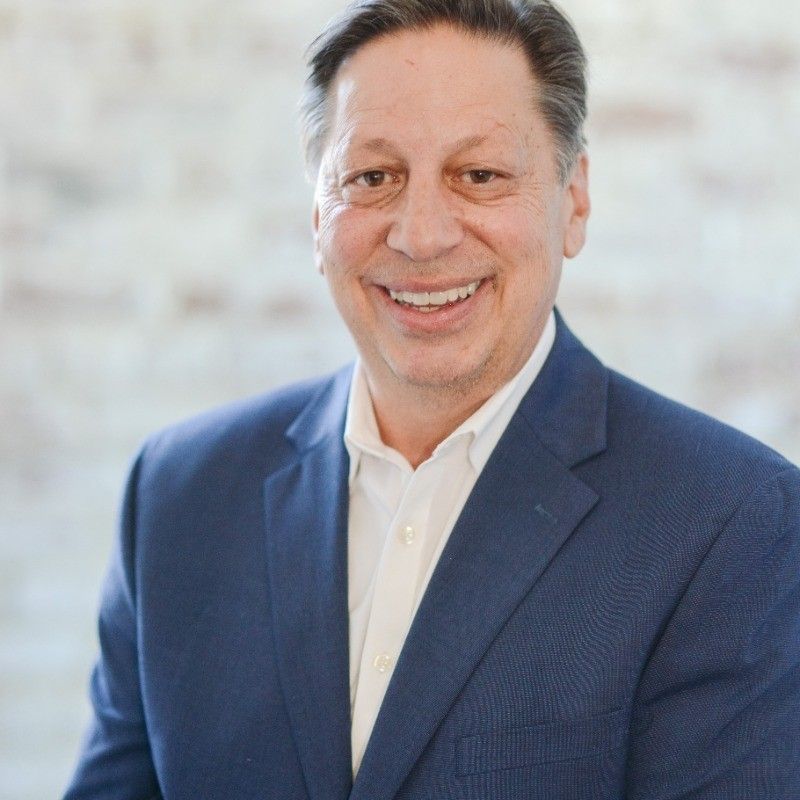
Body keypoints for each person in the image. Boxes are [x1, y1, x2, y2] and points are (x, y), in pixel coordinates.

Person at [63, 1, 800, 798]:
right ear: (317, 214)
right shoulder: (179, 496)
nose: (421, 235)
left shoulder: (733, 523)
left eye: (478, 176)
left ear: (573, 201)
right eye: (372, 177)